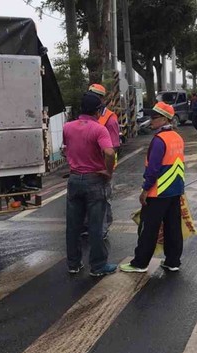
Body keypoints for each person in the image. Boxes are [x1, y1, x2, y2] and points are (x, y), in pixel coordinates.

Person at [120, 102, 185, 273]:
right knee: (173, 228)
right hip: (175, 190)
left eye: (155, 117)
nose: (151, 120)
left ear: (165, 119)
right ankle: (173, 261)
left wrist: (145, 190)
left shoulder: (159, 140)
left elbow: (153, 169)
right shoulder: (177, 137)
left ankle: (140, 263)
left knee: (148, 229)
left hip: (158, 192)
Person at [63, 93, 117, 277]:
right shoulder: (99, 129)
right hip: (94, 179)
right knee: (95, 226)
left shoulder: (67, 128)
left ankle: (73, 264)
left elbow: (66, 149)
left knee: (73, 226)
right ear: (97, 111)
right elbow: (109, 153)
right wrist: (108, 172)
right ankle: (98, 266)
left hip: (74, 179)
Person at [83, 83, 120, 238]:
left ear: (101, 99)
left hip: (103, 164)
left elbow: (114, 146)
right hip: (88, 165)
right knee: (88, 198)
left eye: (95, 95)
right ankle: (88, 227)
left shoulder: (110, 118)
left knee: (104, 198)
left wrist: (107, 168)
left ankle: (103, 229)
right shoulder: (85, 115)